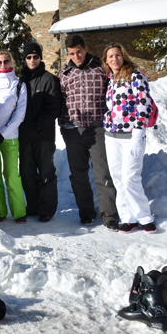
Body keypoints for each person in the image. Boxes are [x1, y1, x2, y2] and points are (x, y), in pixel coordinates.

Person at [59, 34, 118, 229]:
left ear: (85, 48)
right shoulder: (65, 74)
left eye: (78, 52)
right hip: (73, 131)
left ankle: (109, 215)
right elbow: (60, 102)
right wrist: (63, 125)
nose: (76, 56)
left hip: (97, 128)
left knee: (102, 174)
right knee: (78, 175)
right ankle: (86, 213)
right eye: (71, 53)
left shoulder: (101, 69)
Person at [102, 43, 156, 233]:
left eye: (117, 55)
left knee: (130, 177)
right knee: (117, 178)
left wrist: (138, 134)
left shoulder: (135, 75)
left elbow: (144, 105)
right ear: (106, 60)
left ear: (123, 56)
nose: (114, 59)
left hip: (131, 136)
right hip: (111, 136)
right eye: (110, 56)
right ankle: (128, 218)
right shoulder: (111, 78)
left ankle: (145, 217)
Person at [19, 43, 61, 223]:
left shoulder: (49, 79)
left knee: (46, 173)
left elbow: (54, 108)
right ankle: (33, 205)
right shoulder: (20, 81)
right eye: (29, 57)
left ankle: (47, 209)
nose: (32, 60)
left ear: (41, 58)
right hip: (24, 137)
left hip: (43, 136)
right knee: (27, 173)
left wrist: (37, 126)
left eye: (35, 57)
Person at [0, 50, 28, 224]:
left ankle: (19, 212)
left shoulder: (19, 84)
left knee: (12, 175)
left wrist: (3, 133)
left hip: (9, 137)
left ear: (12, 63)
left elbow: (20, 113)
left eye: (6, 61)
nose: (3, 65)